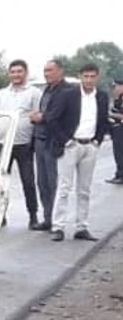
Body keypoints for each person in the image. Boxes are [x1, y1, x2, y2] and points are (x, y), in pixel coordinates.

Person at [48, 63, 109, 241]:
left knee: (84, 189)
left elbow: (103, 120)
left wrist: (97, 140)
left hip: (89, 145)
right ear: (80, 77)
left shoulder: (102, 97)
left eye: (92, 76)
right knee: (64, 188)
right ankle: (58, 226)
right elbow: (53, 119)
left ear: (97, 77)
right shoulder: (68, 95)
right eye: (86, 76)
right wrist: (66, 140)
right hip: (70, 145)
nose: (89, 80)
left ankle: (81, 227)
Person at [0, 59, 43, 228]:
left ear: (25, 73)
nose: (16, 75)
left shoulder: (34, 93)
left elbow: (39, 115)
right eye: (13, 72)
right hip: (2, 144)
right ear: (9, 74)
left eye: (19, 71)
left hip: (24, 144)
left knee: (28, 180)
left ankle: (33, 216)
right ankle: (0, 216)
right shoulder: (2, 94)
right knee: (0, 182)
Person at [29, 60, 80, 231]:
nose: (46, 73)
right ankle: (48, 218)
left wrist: (42, 117)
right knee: (42, 182)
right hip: (39, 140)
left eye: (50, 70)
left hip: (54, 142)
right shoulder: (46, 90)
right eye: (45, 70)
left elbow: (57, 115)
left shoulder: (68, 91)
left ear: (60, 71)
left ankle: (57, 222)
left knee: (54, 183)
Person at [108, 77, 123, 185]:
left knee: (120, 154)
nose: (114, 89)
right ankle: (119, 174)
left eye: (115, 86)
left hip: (121, 128)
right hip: (116, 128)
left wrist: (109, 114)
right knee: (118, 153)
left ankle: (121, 176)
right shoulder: (118, 98)